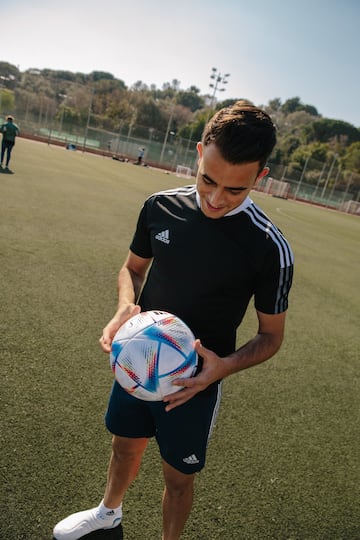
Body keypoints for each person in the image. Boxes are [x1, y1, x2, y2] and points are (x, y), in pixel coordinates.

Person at [53, 101, 294, 540]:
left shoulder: (268, 247)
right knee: (124, 446)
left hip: (194, 384)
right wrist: (126, 305)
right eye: (208, 179)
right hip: (136, 358)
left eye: (236, 190)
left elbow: (271, 336)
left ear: (260, 177)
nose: (216, 199)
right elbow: (132, 269)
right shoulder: (159, 206)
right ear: (199, 152)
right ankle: (109, 512)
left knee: (178, 479)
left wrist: (223, 368)